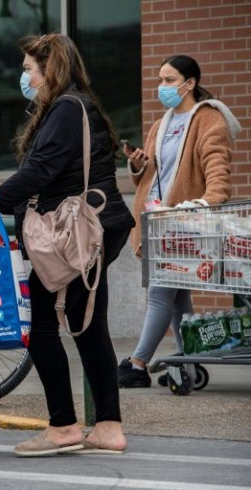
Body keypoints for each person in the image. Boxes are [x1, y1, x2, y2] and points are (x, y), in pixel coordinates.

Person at [0, 34, 134, 456]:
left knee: (40, 323)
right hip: (91, 231)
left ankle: (63, 427)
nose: (23, 77)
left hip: (72, 236)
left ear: (48, 70)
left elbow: (39, 172)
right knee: (89, 328)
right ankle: (107, 426)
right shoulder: (79, 107)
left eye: (27, 70)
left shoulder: (65, 110)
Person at [117, 55, 241, 388]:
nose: (162, 87)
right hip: (160, 222)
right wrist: (139, 165)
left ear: (190, 84)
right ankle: (187, 363)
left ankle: (138, 363)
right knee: (177, 298)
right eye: (160, 80)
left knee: (159, 294)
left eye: (169, 80)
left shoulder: (208, 119)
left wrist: (207, 201)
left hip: (186, 221)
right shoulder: (163, 123)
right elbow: (154, 176)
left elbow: (218, 168)